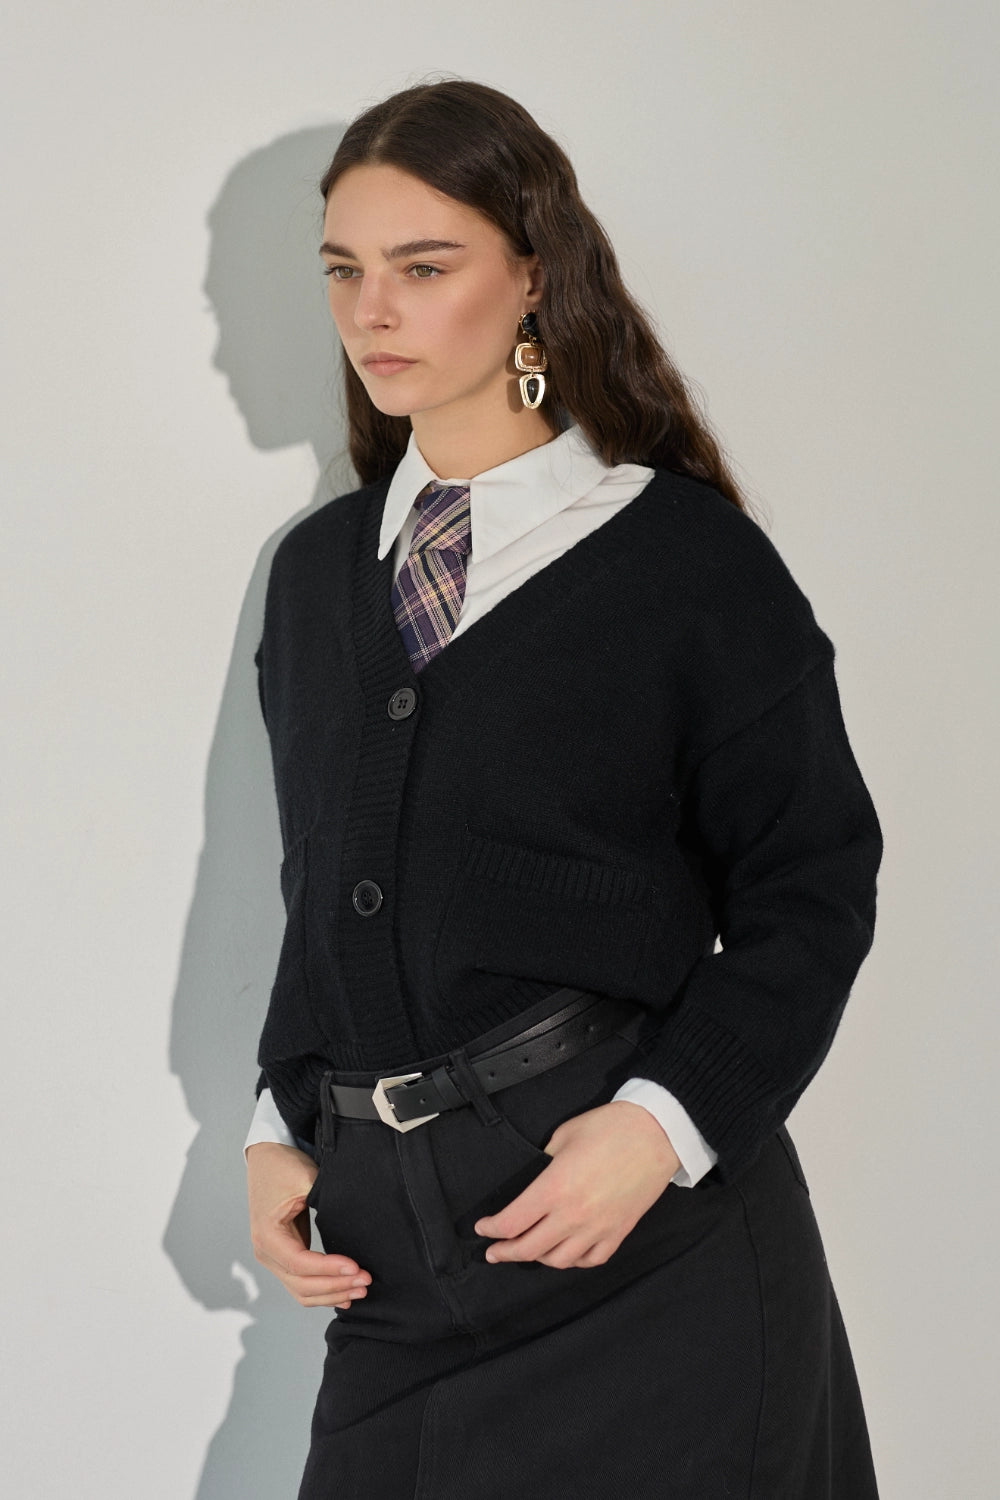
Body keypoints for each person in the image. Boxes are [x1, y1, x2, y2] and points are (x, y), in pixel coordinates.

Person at [243, 78, 884, 1499]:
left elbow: (813, 885)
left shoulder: (687, 565)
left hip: (640, 1241)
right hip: (393, 1276)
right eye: (344, 271)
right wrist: (281, 1119)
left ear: (534, 275)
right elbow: (325, 879)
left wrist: (662, 1128)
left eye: (425, 268)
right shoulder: (314, 578)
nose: (372, 312)